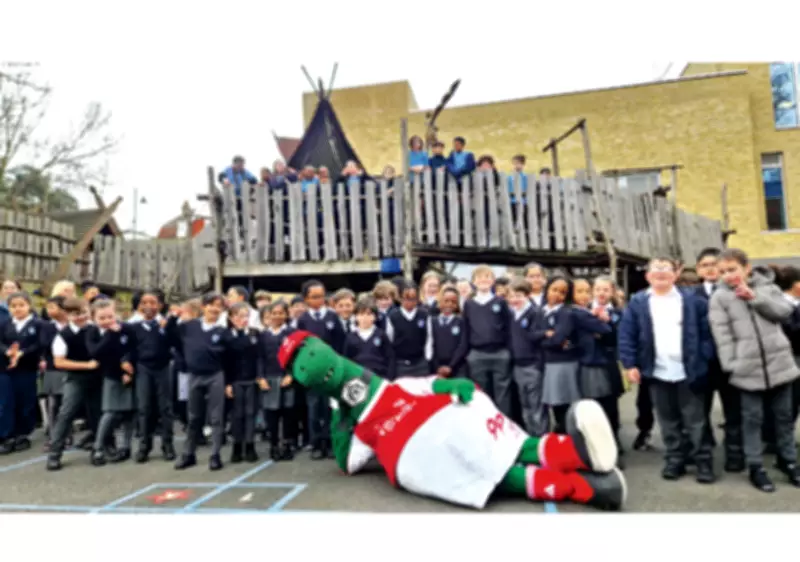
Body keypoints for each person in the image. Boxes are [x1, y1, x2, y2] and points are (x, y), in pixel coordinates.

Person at [278, 331, 627, 511]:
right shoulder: (362, 430)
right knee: (495, 472)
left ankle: (580, 453)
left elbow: (430, 384)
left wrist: (451, 384)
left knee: (505, 442)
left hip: (442, 425)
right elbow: (348, 463)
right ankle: (586, 488)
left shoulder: (398, 386)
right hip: (419, 460)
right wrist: (340, 413)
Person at [708, 249, 800, 492]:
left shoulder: (767, 287)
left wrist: (754, 297)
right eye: (723, 272)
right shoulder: (719, 298)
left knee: (783, 418)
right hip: (746, 370)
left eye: (733, 269)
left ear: (746, 268)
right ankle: (756, 467)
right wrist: (732, 365)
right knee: (752, 419)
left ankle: (788, 461)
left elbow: (784, 312)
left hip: (780, 365)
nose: (728, 276)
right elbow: (722, 335)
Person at [618, 257, 715, 484]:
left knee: (695, 419)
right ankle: (675, 459)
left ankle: (703, 461)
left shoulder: (693, 300)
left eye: (666, 269)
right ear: (647, 275)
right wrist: (630, 364)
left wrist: (704, 358)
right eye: (656, 269)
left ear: (675, 274)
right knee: (667, 420)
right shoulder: (638, 302)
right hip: (657, 372)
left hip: (689, 371)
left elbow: (707, 334)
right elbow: (627, 335)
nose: (660, 273)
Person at [693, 247, 743, 472]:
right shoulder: (689, 296)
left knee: (734, 410)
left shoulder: (735, 292)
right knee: (700, 412)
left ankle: (734, 452)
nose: (710, 269)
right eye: (705, 265)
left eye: (715, 265)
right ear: (698, 270)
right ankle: (704, 452)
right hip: (703, 362)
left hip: (730, 362)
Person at [174, 292, 231, 471]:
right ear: (203, 307)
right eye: (211, 305)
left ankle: (215, 454)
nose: (214, 309)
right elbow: (174, 341)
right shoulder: (189, 326)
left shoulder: (223, 331)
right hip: (194, 375)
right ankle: (189, 454)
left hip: (215, 375)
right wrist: (173, 316)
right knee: (193, 417)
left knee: (216, 416)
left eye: (219, 306)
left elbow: (231, 355)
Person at [46, 298, 100, 471]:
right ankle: (55, 453)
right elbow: (60, 362)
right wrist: (86, 365)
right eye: (76, 314)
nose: (82, 317)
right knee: (66, 413)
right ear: (68, 315)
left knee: (98, 413)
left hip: (97, 378)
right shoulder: (63, 336)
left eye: (84, 313)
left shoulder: (96, 329)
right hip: (75, 379)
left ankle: (101, 447)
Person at [296, 280, 347, 460]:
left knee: (330, 408)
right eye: (315, 297)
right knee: (314, 408)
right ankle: (316, 442)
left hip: (331, 370)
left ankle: (330, 442)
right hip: (313, 372)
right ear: (306, 299)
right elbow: (300, 347)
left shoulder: (332, 317)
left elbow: (341, 343)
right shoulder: (303, 320)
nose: (320, 300)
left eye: (322, 296)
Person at [126, 289, 179, 463]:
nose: (148, 306)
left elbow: (175, 342)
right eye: (144, 303)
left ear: (160, 306)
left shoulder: (164, 324)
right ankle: (144, 446)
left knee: (165, 408)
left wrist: (170, 323)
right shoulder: (133, 327)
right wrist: (125, 365)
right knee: (144, 408)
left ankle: (167, 445)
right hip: (143, 369)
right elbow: (129, 349)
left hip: (163, 368)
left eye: (153, 303)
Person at [453, 265, 512, 416]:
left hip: (500, 353)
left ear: (493, 281)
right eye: (479, 277)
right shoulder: (469, 304)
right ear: (473, 281)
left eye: (487, 277)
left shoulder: (500, 302)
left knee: (503, 394)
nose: (483, 280)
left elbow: (508, 328)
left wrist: (508, 352)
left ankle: (504, 427)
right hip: (477, 355)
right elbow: (466, 331)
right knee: (481, 394)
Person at [86, 299, 136, 466]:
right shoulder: (92, 332)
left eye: (110, 316)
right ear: (93, 318)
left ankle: (125, 447)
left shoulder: (127, 329)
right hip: (108, 376)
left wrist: (128, 365)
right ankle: (98, 447)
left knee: (128, 413)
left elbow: (132, 348)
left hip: (128, 375)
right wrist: (111, 334)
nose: (107, 321)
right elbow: (96, 352)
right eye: (102, 318)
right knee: (110, 412)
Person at [535, 276, 581, 433]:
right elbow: (531, 335)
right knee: (555, 403)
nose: (557, 295)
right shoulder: (541, 311)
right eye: (554, 290)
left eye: (562, 292)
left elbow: (558, 339)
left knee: (564, 404)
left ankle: (568, 436)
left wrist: (542, 341)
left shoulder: (566, 313)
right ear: (547, 289)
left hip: (563, 363)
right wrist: (544, 337)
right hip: (549, 363)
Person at [0, 291, 43, 455]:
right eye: (13, 306)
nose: (17, 309)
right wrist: (7, 351)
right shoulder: (4, 324)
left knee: (25, 401)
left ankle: (22, 434)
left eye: (21, 305)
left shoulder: (37, 324)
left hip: (26, 368)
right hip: (5, 368)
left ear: (29, 306)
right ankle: (6, 435)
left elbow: (39, 344)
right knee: (6, 402)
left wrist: (23, 353)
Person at [507, 279, 547, 436]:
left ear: (527, 296)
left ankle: (540, 438)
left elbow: (537, 337)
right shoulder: (512, 314)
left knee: (536, 406)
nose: (515, 299)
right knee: (525, 407)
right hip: (518, 366)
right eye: (512, 296)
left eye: (519, 295)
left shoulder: (535, 313)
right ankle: (530, 437)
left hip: (532, 365)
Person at [259, 301, 296, 460]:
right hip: (269, 378)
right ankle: (274, 445)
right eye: (274, 313)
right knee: (271, 413)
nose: (277, 316)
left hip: (286, 377)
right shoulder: (263, 335)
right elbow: (259, 358)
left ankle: (287, 444)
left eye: (281, 313)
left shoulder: (292, 333)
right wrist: (260, 377)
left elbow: (296, 356)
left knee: (288, 412)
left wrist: (291, 374)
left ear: (286, 315)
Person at [225, 302, 262, 464]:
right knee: (237, 415)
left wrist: (259, 376)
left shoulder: (254, 334)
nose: (243, 319)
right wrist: (227, 383)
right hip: (236, 381)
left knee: (250, 414)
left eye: (246, 316)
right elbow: (224, 361)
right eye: (239, 316)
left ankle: (250, 445)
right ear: (231, 318)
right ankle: (237, 447)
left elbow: (259, 358)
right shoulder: (227, 336)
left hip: (251, 380)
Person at [385, 281, 432, 378]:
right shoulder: (393, 316)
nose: (410, 302)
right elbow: (389, 340)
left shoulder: (424, 315)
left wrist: (427, 358)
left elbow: (429, 338)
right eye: (406, 299)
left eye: (413, 299)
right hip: (401, 364)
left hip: (420, 363)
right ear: (400, 298)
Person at [40, 296, 69, 451]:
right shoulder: (47, 327)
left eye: (53, 307)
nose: (49, 310)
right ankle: (53, 436)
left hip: (70, 368)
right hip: (52, 369)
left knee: (67, 404)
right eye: (48, 307)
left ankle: (66, 434)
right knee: (53, 404)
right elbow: (43, 345)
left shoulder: (72, 325)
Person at [344, 298, 394, 380]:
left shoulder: (381, 335)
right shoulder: (350, 337)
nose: (365, 318)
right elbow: (347, 360)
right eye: (361, 314)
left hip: (379, 377)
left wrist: (389, 378)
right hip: (358, 378)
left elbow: (390, 358)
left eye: (369, 314)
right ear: (355, 317)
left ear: (375, 317)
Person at [431, 286, 465, 380]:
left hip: (457, 367)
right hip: (436, 368)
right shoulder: (432, 321)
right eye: (446, 301)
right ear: (440, 301)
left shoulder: (461, 321)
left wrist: (451, 366)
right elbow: (430, 345)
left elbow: (462, 345)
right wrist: (437, 367)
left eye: (453, 302)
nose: (449, 304)